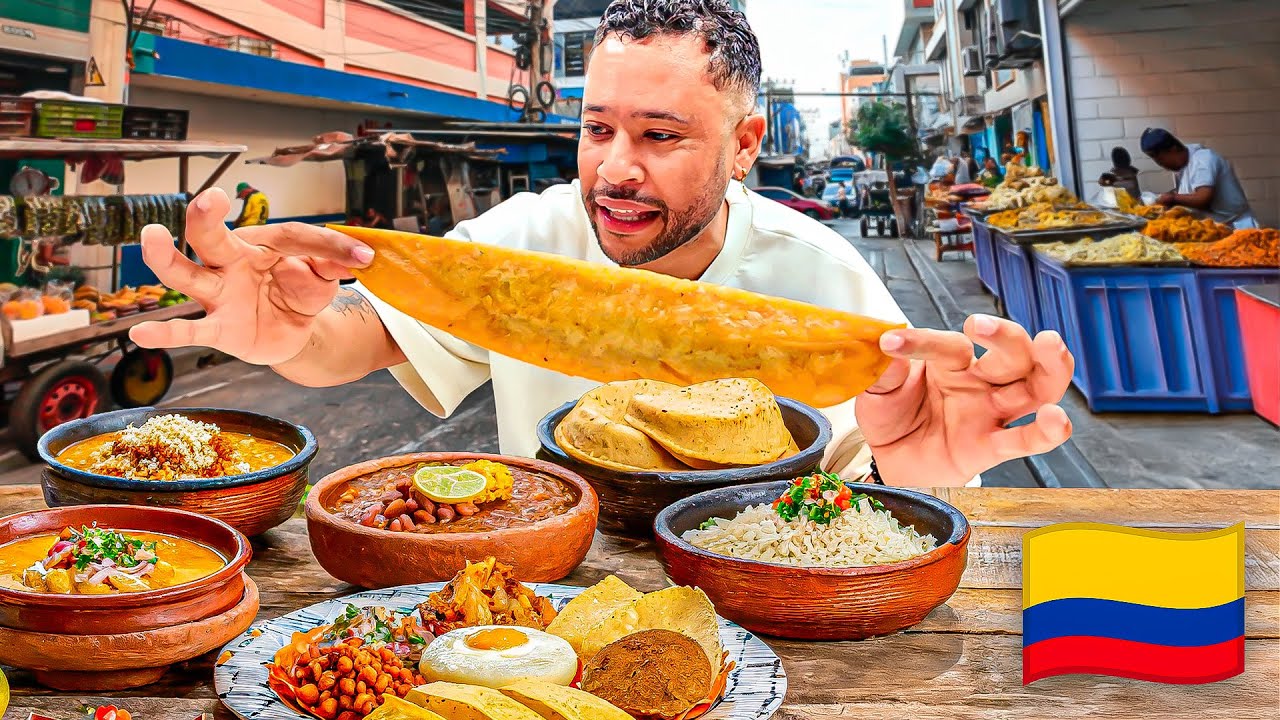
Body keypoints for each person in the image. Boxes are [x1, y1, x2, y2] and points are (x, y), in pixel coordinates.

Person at [129, 0, 1073, 488]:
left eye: (661, 136)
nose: (616, 168)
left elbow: (873, 482)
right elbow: (357, 335)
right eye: (597, 129)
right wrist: (286, 335)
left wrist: (919, 475)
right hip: (537, 614)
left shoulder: (822, 277)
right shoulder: (523, 239)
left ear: (746, 144)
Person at [1140, 127, 1257, 228]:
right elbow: (1187, 193)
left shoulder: (1203, 159)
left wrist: (1172, 198)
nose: (1163, 165)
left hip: (1236, 226)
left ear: (1173, 149)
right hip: (1217, 227)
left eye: (1161, 160)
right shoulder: (1183, 166)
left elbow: (1202, 198)